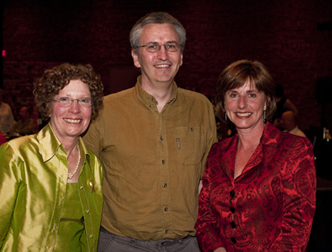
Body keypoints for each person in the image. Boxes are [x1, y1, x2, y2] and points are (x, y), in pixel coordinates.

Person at [83, 12, 217, 252]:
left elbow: (207, 180)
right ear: (136, 57)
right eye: (152, 46)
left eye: (171, 46)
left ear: (182, 55)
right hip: (121, 244)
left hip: (188, 244)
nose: (163, 55)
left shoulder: (201, 107)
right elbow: (80, 178)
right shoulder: (104, 110)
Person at [195, 60, 316, 252]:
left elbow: (297, 226)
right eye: (233, 95)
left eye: (251, 95)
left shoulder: (294, 149)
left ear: (267, 101)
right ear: (224, 103)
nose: (242, 104)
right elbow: (205, 218)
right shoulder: (217, 153)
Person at [0, 63, 105, 251]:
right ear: (48, 107)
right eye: (64, 99)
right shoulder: (16, 155)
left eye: (84, 100)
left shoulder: (93, 165)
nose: (75, 109)